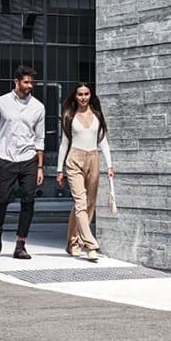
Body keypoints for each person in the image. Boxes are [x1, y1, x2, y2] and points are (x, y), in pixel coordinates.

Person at [0, 65, 45, 260]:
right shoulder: (0, 103)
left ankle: (20, 244)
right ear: (16, 81)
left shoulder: (38, 107)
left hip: (29, 160)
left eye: (31, 83)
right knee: (2, 199)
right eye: (26, 82)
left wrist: (40, 166)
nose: (30, 86)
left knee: (28, 200)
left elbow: (39, 138)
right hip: (7, 159)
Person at [56, 83, 114, 262]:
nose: (83, 97)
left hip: (93, 159)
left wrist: (109, 166)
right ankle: (89, 244)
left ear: (90, 95)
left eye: (86, 94)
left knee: (88, 204)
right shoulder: (70, 116)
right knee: (80, 202)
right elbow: (64, 143)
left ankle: (73, 243)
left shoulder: (97, 115)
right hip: (74, 159)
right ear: (75, 96)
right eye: (80, 94)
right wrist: (59, 169)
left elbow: (103, 141)